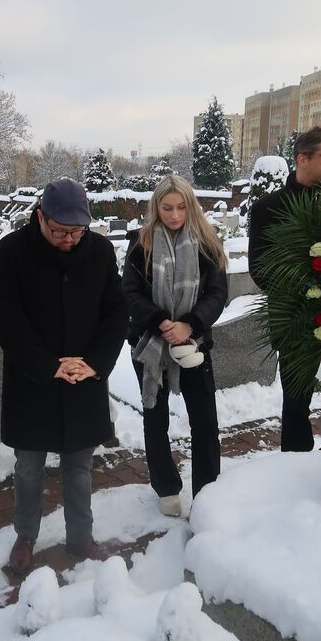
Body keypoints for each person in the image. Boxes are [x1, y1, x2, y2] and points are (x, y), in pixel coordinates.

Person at [0, 177, 127, 575]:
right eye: (60, 231)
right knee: (29, 467)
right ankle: (26, 536)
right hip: (34, 382)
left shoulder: (99, 252)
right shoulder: (13, 253)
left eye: (76, 231)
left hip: (83, 380)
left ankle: (80, 536)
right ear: (40, 218)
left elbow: (115, 312)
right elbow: (6, 318)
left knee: (79, 467)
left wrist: (95, 362)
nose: (69, 239)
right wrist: (49, 365)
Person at [122, 175, 228, 517]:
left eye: (181, 207)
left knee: (205, 420)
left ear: (191, 205)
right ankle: (166, 486)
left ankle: (208, 491)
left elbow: (217, 293)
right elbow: (129, 292)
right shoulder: (141, 244)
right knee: (155, 418)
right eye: (166, 208)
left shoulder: (208, 243)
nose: (174, 215)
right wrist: (160, 322)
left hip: (194, 342)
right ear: (156, 208)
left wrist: (190, 324)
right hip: (151, 342)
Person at [248, 126, 321, 452]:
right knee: (295, 406)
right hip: (296, 323)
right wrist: (309, 296)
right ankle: (295, 470)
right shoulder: (268, 208)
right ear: (303, 159)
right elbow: (260, 268)